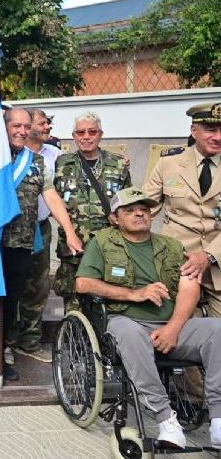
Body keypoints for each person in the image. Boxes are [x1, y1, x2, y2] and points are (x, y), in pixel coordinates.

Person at [75, 187, 221, 450]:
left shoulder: (172, 246)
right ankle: (166, 419)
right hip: (126, 320)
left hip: (171, 324)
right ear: (114, 218)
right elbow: (84, 284)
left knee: (216, 329)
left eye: (144, 209)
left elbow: (189, 286)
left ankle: (218, 419)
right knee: (128, 334)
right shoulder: (102, 242)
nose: (139, 213)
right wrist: (135, 294)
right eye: (129, 210)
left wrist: (174, 329)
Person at [0, 108, 82, 382]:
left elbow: (51, 196)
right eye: (16, 126)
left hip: (21, 244)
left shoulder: (35, 162)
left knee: (10, 301)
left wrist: (70, 232)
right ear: (4, 127)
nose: (22, 131)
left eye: (26, 126)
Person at [144, 102, 221, 318]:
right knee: (174, 330)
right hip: (177, 262)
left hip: (218, 262)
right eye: (211, 129)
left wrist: (208, 255)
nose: (218, 137)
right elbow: (146, 208)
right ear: (193, 130)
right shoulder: (168, 163)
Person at [53, 111, 131, 312]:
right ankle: (73, 341)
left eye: (92, 131)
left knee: (107, 304)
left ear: (100, 134)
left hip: (107, 247)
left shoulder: (119, 164)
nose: (86, 136)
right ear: (74, 135)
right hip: (73, 249)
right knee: (73, 305)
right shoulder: (61, 164)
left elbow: (128, 204)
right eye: (80, 132)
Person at [11, 109, 62, 363]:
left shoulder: (54, 155)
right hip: (9, 232)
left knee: (38, 287)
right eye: (42, 123)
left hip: (40, 228)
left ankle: (29, 341)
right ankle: (6, 342)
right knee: (11, 288)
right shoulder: (6, 154)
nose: (47, 127)